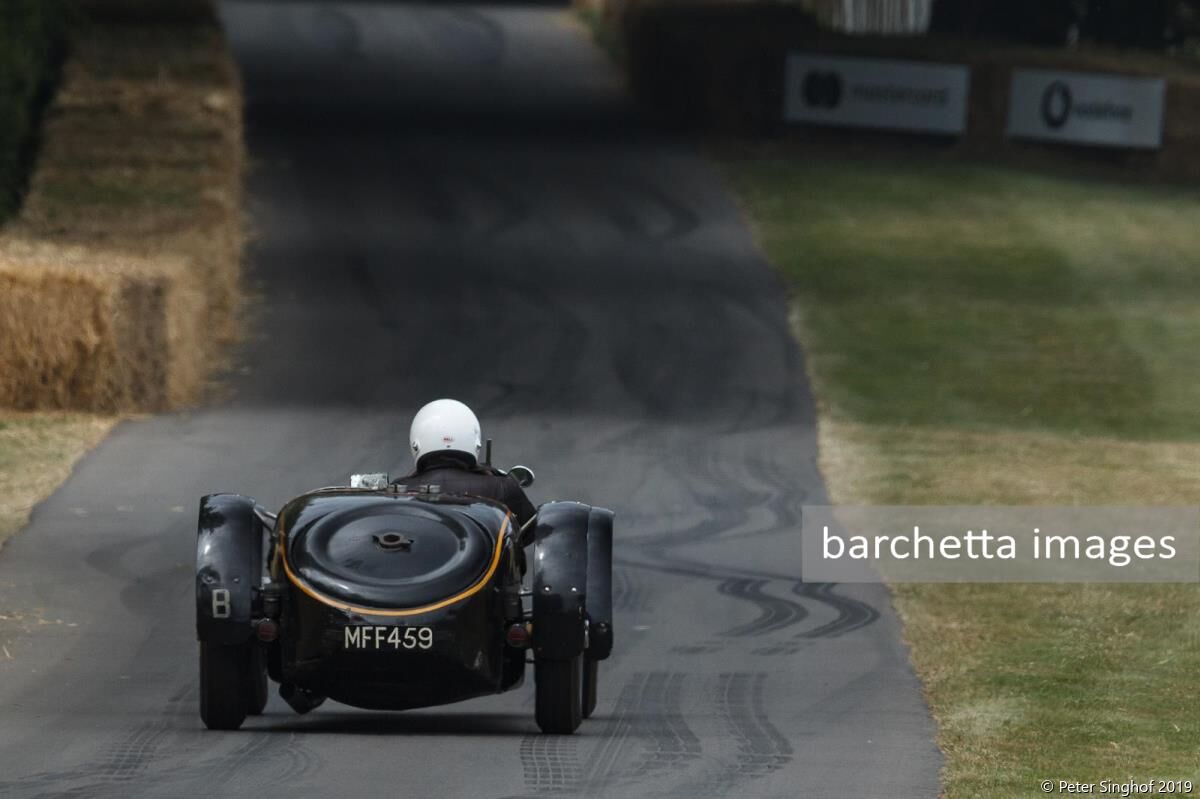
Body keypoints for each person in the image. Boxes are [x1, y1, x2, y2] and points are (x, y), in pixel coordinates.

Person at [393, 398, 537, 528]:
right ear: (475, 442)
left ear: (416, 443)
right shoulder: (502, 487)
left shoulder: (398, 489)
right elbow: (529, 532)